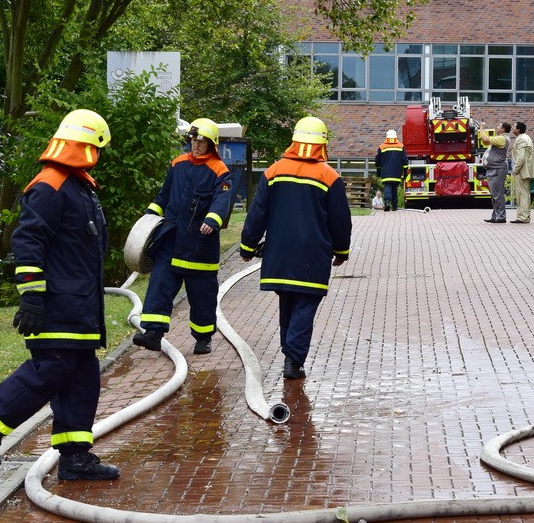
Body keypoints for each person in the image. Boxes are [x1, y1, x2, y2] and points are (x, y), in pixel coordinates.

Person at [0, 109, 120, 480]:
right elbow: (28, 240)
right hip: (56, 304)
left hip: (80, 305)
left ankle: (74, 457)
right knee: (54, 367)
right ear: (89, 146)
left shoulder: (78, 187)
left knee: (82, 375)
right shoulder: (50, 185)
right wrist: (32, 296)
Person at [239, 116, 352, 380]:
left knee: (287, 303)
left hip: (278, 257)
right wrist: (341, 251)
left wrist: (247, 247)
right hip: (313, 258)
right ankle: (293, 359)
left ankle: (290, 352)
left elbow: (257, 213)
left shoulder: (273, 171)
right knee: (305, 305)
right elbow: (340, 220)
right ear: (322, 144)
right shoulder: (329, 176)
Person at [132, 118, 232, 356]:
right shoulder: (177, 164)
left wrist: (212, 220)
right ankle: (153, 334)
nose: (195, 145)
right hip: (171, 239)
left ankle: (203, 338)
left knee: (202, 296)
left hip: (200, 244)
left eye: (201, 141)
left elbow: (222, 200)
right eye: (193, 140)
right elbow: (163, 195)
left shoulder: (220, 171)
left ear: (212, 144)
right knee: (159, 286)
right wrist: (149, 216)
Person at [479, 121, 510, 223]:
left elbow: (485, 139)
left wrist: (482, 128)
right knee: (494, 193)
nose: (497, 127)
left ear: (503, 129)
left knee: (497, 194)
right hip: (494, 168)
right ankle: (495, 216)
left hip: (497, 169)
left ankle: (500, 217)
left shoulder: (502, 138)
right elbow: (486, 142)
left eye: (499, 126)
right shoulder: (500, 138)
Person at [509, 122, 534, 224]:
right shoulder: (526, 137)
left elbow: (520, 157)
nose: (512, 127)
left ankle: (523, 217)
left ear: (518, 129)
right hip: (526, 170)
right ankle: (525, 216)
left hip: (522, 171)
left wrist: (515, 170)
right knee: (525, 193)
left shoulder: (521, 139)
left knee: (522, 194)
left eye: (514, 126)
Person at [374, 129, 408, 211]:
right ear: (396, 137)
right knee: (394, 188)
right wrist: (405, 172)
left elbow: (377, 161)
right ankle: (395, 205)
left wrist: (378, 171)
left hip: (385, 172)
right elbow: (405, 161)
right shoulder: (401, 146)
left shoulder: (382, 147)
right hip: (397, 172)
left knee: (387, 186)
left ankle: (387, 201)